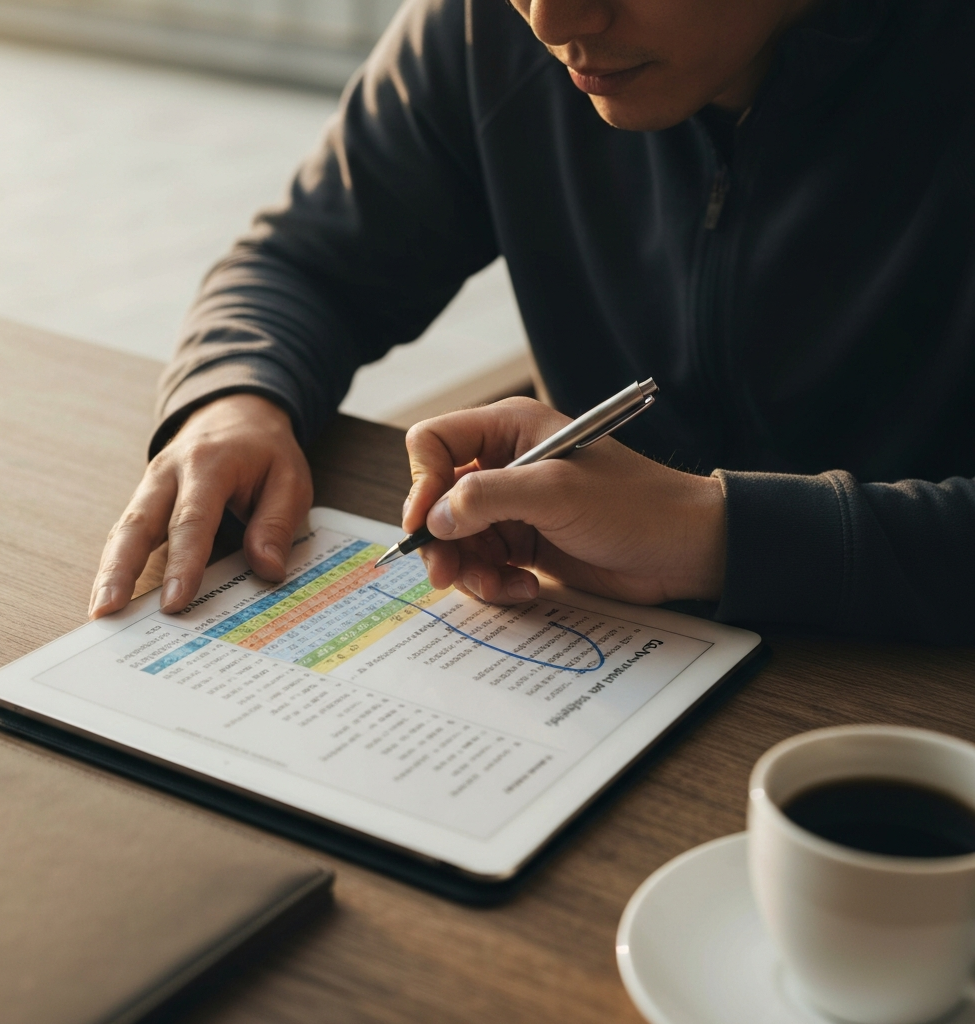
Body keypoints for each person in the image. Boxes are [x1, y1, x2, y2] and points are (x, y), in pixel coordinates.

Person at [89, 0, 975, 643]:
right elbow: (304, 265)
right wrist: (236, 398)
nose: (550, 20)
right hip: (607, 656)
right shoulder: (480, 26)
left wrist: (713, 534)